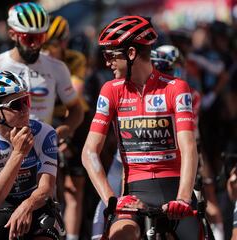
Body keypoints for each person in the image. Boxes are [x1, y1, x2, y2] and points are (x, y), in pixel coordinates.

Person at [0, 2, 84, 237]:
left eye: (40, 37)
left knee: (58, 194)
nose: (35, 44)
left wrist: (60, 133)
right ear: (13, 34)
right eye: (28, 38)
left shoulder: (57, 67)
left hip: (40, 140)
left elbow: (76, 111)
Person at [81, 16, 199, 240]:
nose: (107, 63)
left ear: (132, 53)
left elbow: (188, 147)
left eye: (111, 56)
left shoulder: (176, 88)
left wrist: (183, 198)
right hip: (135, 191)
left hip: (175, 188)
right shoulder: (110, 90)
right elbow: (89, 153)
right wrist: (113, 200)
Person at [0, 71, 61, 239]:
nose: (25, 109)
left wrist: (27, 206)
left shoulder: (46, 134)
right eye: (16, 105)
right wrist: (18, 153)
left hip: (36, 202)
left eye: (26, 101)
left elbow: (46, 187)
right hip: (0, 205)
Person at [43, 15, 89, 240]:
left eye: (50, 45)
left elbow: (75, 95)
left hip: (73, 120)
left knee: (74, 187)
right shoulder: (39, 62)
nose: (46, 51)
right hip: (47, 122)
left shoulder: (75, 59)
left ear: (62, 43)